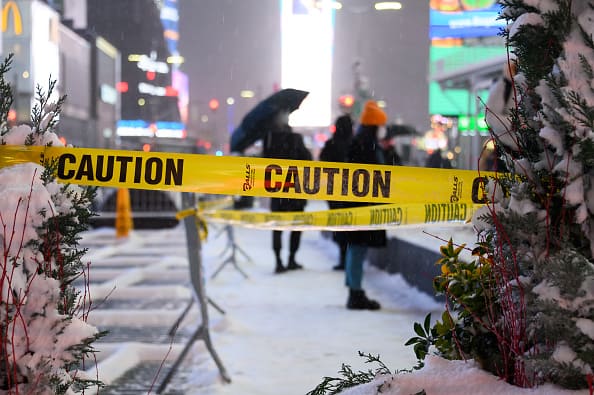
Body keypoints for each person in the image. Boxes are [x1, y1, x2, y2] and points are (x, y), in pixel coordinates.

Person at [335, 100, 387, 310]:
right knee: (357, 248)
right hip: (362, 206)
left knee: (355, 248)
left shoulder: (359, 142)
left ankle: (354, 290)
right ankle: (355, 292)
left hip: (357, 204)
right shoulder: (365, 144)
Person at [262, 111, 312, 274]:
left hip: (277, 192)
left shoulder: (269, 140)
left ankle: (278, 261)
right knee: (296, 227)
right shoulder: (295, 139)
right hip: (295, 192)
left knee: (277, 227)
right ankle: (291, 258)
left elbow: (264, 163)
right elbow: (307, 159)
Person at [319, 114, 354, 271]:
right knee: (351, 227)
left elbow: (321, 164)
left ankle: (343, 257)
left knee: (339, 226)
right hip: (353, 194)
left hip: (334, 193)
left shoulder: (331, 144)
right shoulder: (354, 144)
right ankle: (349, 258)